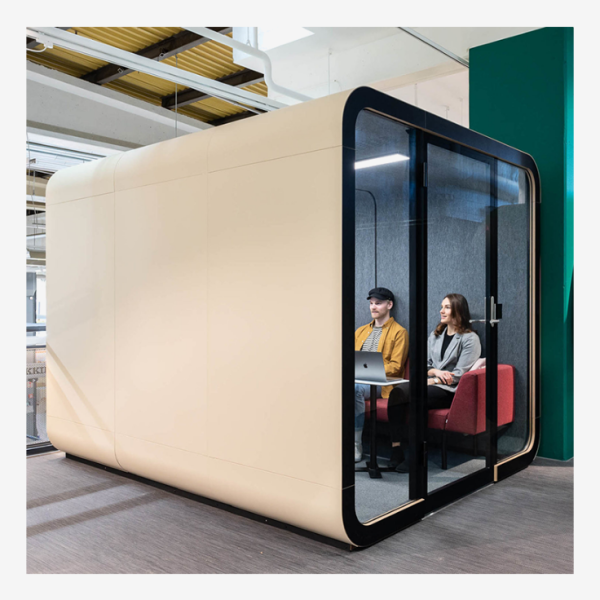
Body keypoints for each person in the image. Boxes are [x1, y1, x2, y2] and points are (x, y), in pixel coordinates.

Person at [386, 293, 481, 472]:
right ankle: (396, 449)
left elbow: (459, 374)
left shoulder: (470, 339)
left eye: (447, 307)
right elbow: (424, 364)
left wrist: (432, 381)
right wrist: (435, 373)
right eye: (441, 307)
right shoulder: (435, 335)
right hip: (430, 383)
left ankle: (416, 455)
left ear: (459, 311)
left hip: (449, 390)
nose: (441, 311)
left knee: (417, 397)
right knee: (397, 393)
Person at [355, 287, 408, 463]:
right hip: (357, 379)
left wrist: (371, 370)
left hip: (382, 383)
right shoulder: (360, 331)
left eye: (378, 303)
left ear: (389, 305)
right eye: (371, 303)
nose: (373, 307)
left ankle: (355, 444)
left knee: (354, 389)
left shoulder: (399, 332)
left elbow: (396, 366)